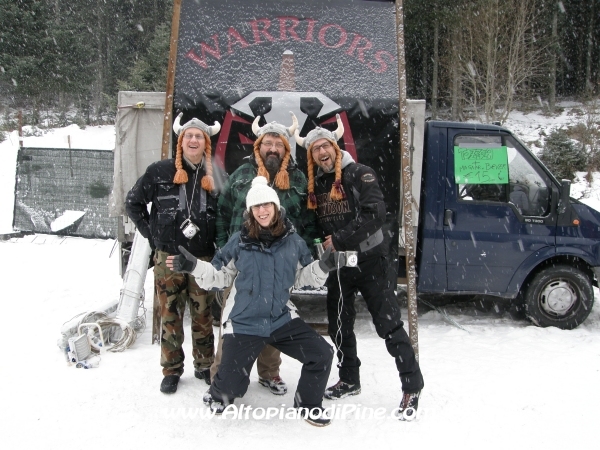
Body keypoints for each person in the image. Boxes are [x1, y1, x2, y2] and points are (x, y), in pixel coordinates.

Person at [166, 176, 336, 426]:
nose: (262, 210)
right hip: (244, 321)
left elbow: (302, 278)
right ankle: (219, 392)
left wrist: (323, 266)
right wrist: (193, 266)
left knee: (322, 354)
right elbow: (218, 276)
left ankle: (308, 403)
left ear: (276, 207)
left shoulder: (294, 242)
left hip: (280, 319)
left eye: (267, 204)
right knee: (228, 391)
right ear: (250, 211)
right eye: (257, 206)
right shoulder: (239, 241)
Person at [295, 115, 425, 420]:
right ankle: (350, 379)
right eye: (315, 150)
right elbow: (316, 224)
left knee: (388, 325)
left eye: (326, 146)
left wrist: (338, 239)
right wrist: (318, 242)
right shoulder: (317, 186)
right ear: (311, 156)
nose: (322, 152)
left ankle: (412, 385)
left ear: (336, 148)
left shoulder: (360, 173)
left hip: (371, 261)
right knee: (339, 326)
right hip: (339, 267)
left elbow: (374, 214)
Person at [212, 113, 317, 395]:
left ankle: (269, 373)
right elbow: (222, 211)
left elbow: (307, 222)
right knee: (233, 321)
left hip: (278, 265)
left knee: (274, 317)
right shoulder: (241, 174)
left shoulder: (297, 179)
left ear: (286, 148)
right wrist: (224, 249)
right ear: (258, 146)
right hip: (241, 263)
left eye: (278, 144)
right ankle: (223, 375)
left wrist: (300, 257)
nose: (272, 148)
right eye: (267, 142)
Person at [126, 113, 226, 394]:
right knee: (170, 314)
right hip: (168, 258)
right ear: (181, 141)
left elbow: (225, 213)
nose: (193, 140)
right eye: (189, 136)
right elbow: (133, 204)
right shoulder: (158, 171)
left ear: (206, 142)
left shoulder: (216, 174)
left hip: (203, 260)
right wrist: (153, 236)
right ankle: (171, 370)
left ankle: (205, 365)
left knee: (204, 315)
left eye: (199, 136)